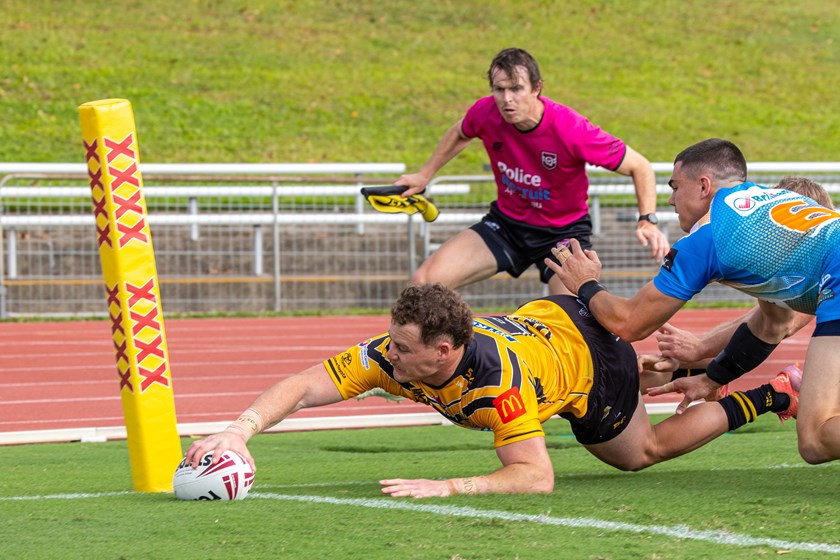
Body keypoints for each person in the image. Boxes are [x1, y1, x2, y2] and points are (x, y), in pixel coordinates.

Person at [184, 283, 797, 498]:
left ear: (443, 351)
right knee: (631, 386)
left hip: (590, 364)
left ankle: (770, 395)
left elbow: (536, 476)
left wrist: (449, 486)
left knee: (641, 453)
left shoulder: (497, 387)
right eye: (391, 343)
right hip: (551, 322)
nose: (387, 356)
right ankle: (664, 371)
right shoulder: (393, 354)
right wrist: (239, 431)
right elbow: (303, 385)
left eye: (402, 349)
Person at [547, 139, 840, 464]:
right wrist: (711, 378)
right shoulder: (771, 200)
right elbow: (773, 324)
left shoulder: (707, 238)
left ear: (703, 186)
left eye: (675, 187)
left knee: (815, 438)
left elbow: (629, 324)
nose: (670, 199)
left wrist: (585, 284)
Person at [395, 47, 668, 295]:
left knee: (572, 313)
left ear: (536, 88)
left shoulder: (571, 129)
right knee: (422, 284)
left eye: (516, 88)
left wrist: (647, 220)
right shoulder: (486, 112)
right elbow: (460, 132)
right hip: (506, 226)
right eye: (499, 89)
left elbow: (640, 166)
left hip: (562, 234)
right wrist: (424, 174)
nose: (507, 99)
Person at [642, 176, 833, 390]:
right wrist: (691, 356)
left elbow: (779, 327)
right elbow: (753, 323)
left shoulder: (816, 266)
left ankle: (780, 398)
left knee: (811, 404)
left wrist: (700, 350)